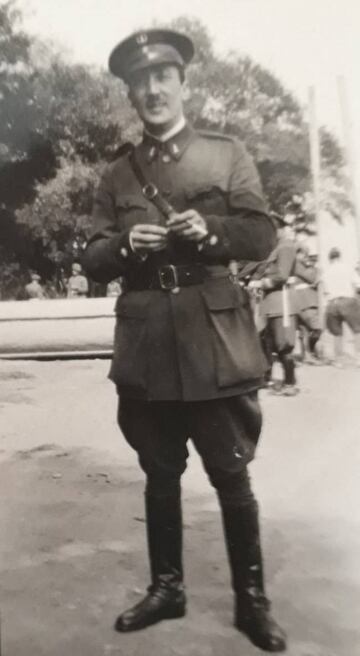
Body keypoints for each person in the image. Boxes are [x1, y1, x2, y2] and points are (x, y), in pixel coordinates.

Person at [82, 28, 286, 652]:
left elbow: (261, 234)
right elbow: (92, 258)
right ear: (130, 93)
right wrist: (122, 246)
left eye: (162, 77)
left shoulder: (226, 154)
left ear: (181, 82)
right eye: (139, 83)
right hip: (147, 342)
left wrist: (212, 228)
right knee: (159, 468)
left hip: (214, 339)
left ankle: (251, 601)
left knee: (231, 472)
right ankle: (167, 587)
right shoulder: (118, 173)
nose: (152, 90)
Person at [258, 216, 299, 396]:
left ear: (279, 229)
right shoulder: (274, 248)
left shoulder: (286, 246)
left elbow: (281, 275)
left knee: (284, 345)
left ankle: (290, 383)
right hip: (271, 304)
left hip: (282, 303)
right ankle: (267, 379)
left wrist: (261, 283)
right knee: (268, 343)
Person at [324, 247, 360, 365]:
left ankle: (339, 360)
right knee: (357, 330)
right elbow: (358, 284)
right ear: (339, 257)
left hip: (332, 303)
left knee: (337, 333)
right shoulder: (348, 268)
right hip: (348, 301)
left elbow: (325, 291)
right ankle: (359, 358)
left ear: (330, 259)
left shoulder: (326, 271)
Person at [294, 247, 322, 364]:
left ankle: (307, 355)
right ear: (298, 254)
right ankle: (309, 354)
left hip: (302, 302)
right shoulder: (297, 265)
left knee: (304, 330)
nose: (306, 257)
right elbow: (312, 278)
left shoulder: (300, 266)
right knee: (317, 328)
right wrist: (314, 269)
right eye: (304, 255)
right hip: (305, 302)